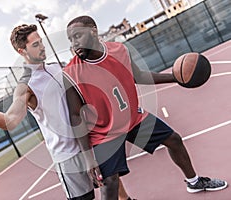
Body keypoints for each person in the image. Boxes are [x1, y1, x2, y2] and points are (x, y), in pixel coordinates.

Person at [63, 15, 227, 200]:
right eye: (70, 39)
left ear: (93, 31)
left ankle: (194, 182)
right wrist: (89, 159)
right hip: (105, 133)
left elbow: (138, 76)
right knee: (109, 184)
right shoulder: (71, 74)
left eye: (77, 36)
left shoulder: (119, 50)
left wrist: (175, 77)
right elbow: (76, 116)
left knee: (174, 140)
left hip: (133, 118)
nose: (74, 43)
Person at [0, 24, 102, 200]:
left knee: (112, 186)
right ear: (21, 51)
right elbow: (9, 121)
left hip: (88, 143)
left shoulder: (58, 67)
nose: (42, 47)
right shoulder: (26, 85)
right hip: (67, 156)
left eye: (41, 42)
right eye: (35, 45)